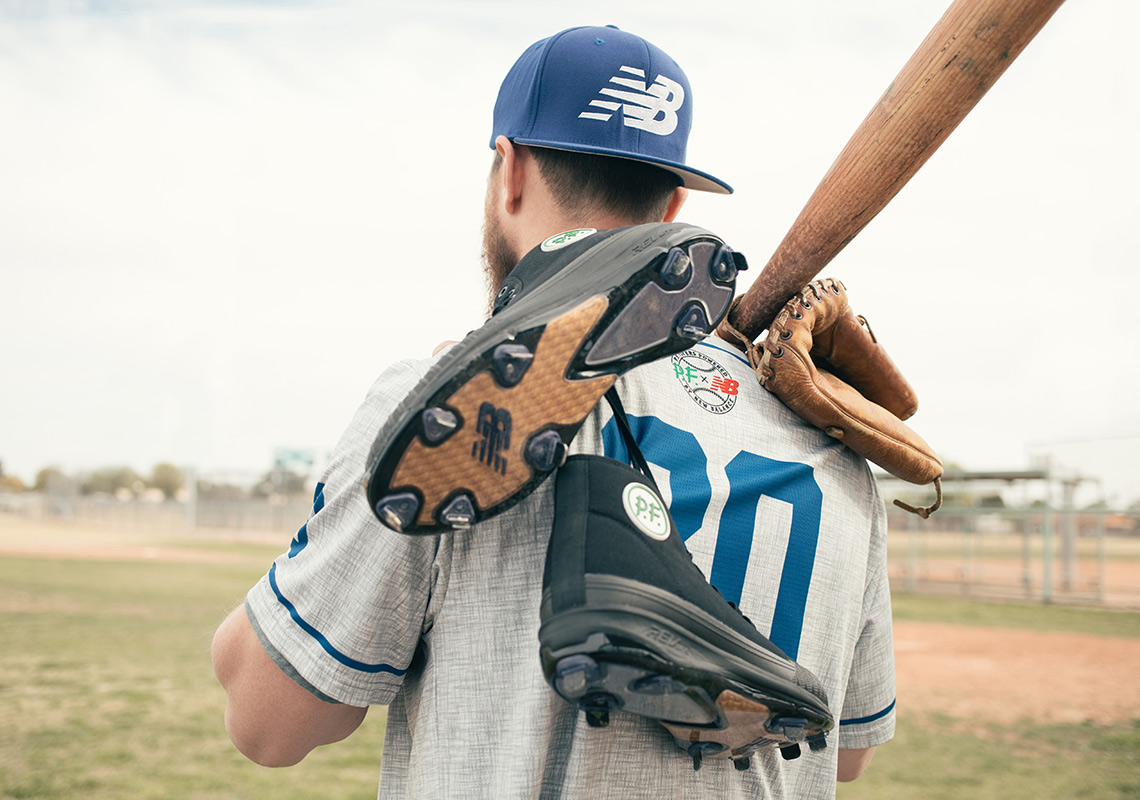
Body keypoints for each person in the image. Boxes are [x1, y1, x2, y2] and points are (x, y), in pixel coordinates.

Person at [212, 25, 895, 799]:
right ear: (671, 203)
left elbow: (269, 723)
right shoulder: (837, 446)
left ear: (509, 172)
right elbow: (843, 753)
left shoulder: (441, 400)